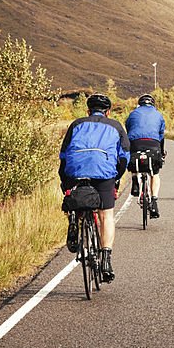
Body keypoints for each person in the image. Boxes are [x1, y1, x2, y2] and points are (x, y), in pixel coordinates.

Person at [59, 93, 129, 282]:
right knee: (106, 215)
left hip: (76, 171)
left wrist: (65, 182)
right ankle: (106, 259)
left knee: (72, 198)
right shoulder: (115, 126)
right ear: (108, 112)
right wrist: (116, 177)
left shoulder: (76, 124)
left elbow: (64, 155)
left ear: (88, 111)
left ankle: (73, 219)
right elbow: (124, 157)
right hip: (104, 173)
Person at [125, 93, 166, 218]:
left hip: (135, 143)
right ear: (153, 104)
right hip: (153, 144)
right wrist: (161, 151)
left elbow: (128, 130)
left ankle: (134, 178)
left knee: (133, 159)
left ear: (139, 104)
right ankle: (154, 201)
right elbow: (161, 135)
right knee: (155, 173)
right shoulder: (158, 115)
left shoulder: (132, 114)